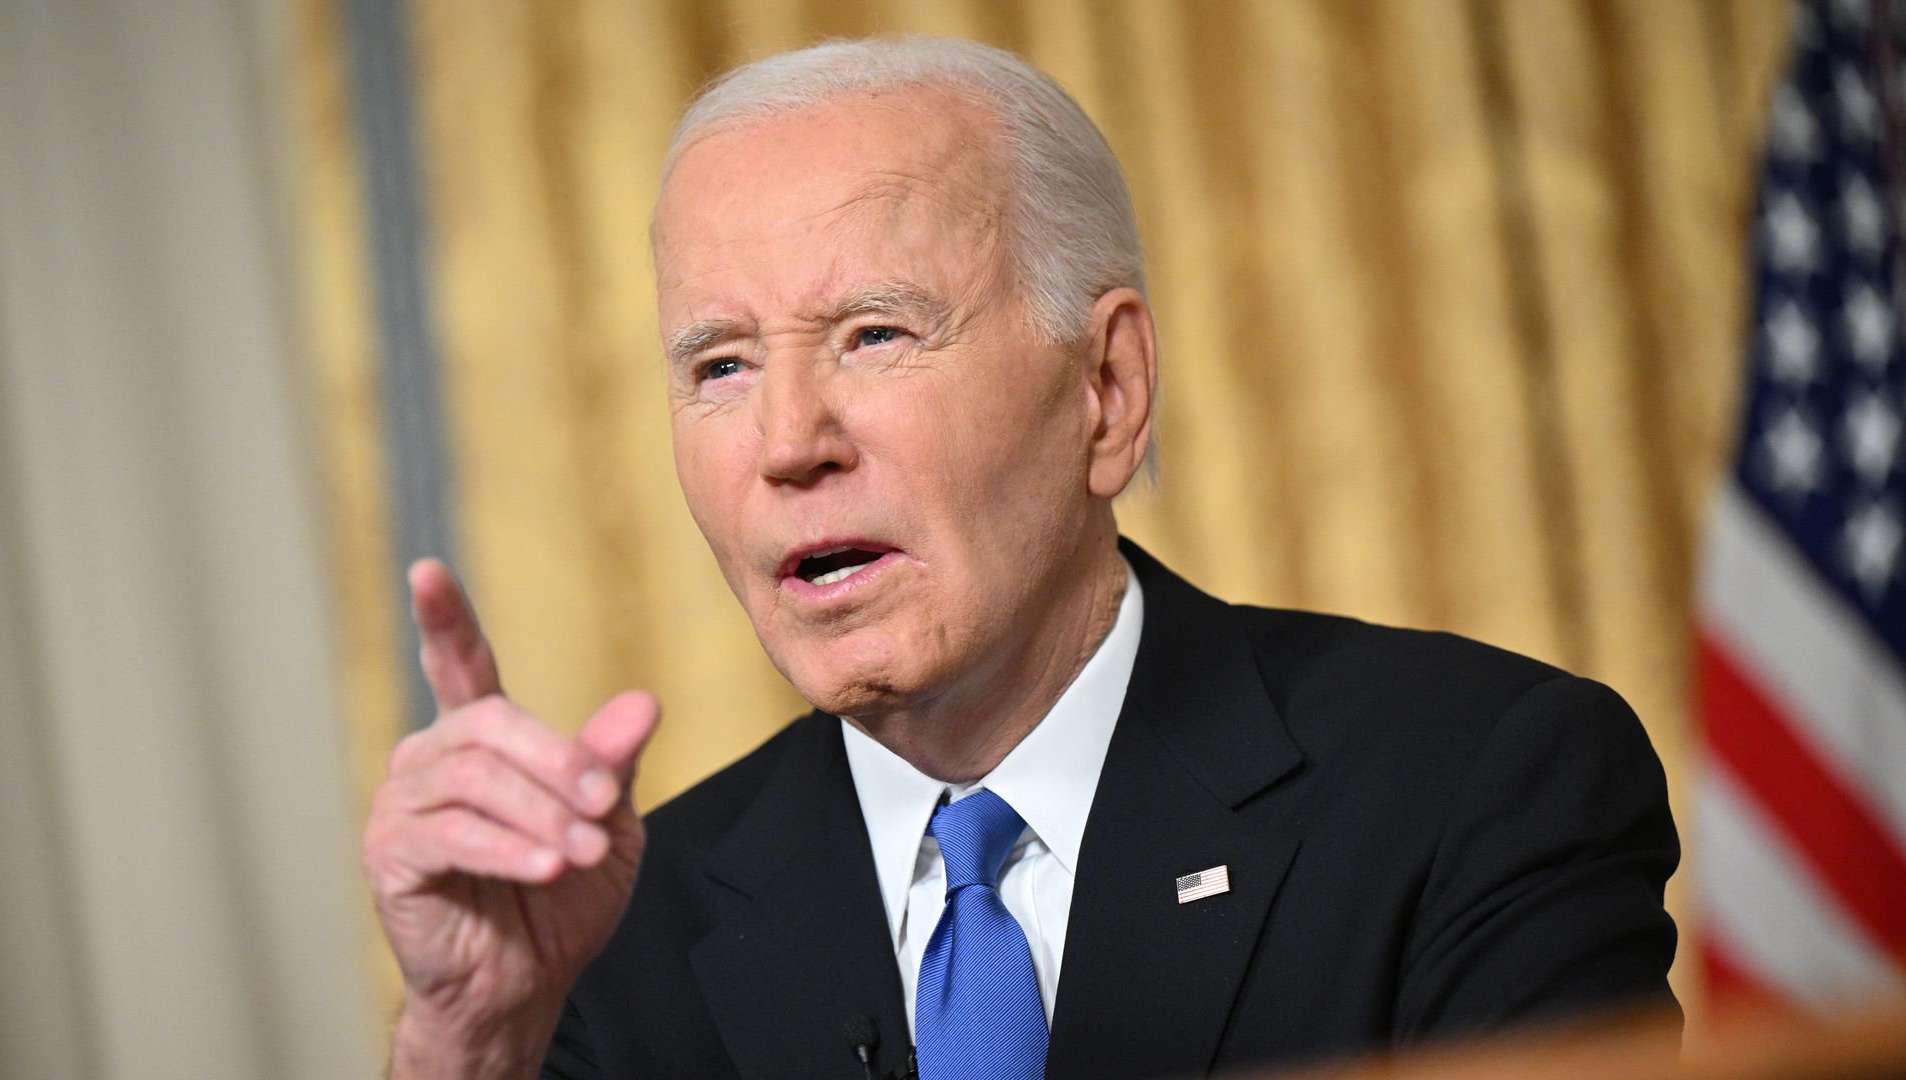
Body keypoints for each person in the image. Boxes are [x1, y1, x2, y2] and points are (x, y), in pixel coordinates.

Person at [361, 36, 1679, 1080]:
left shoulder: (1473, 786)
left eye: (875, 334)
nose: (786, 443)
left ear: (1105, 390)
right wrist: (469, 1043)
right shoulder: (606, 946)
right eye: (720, 365)